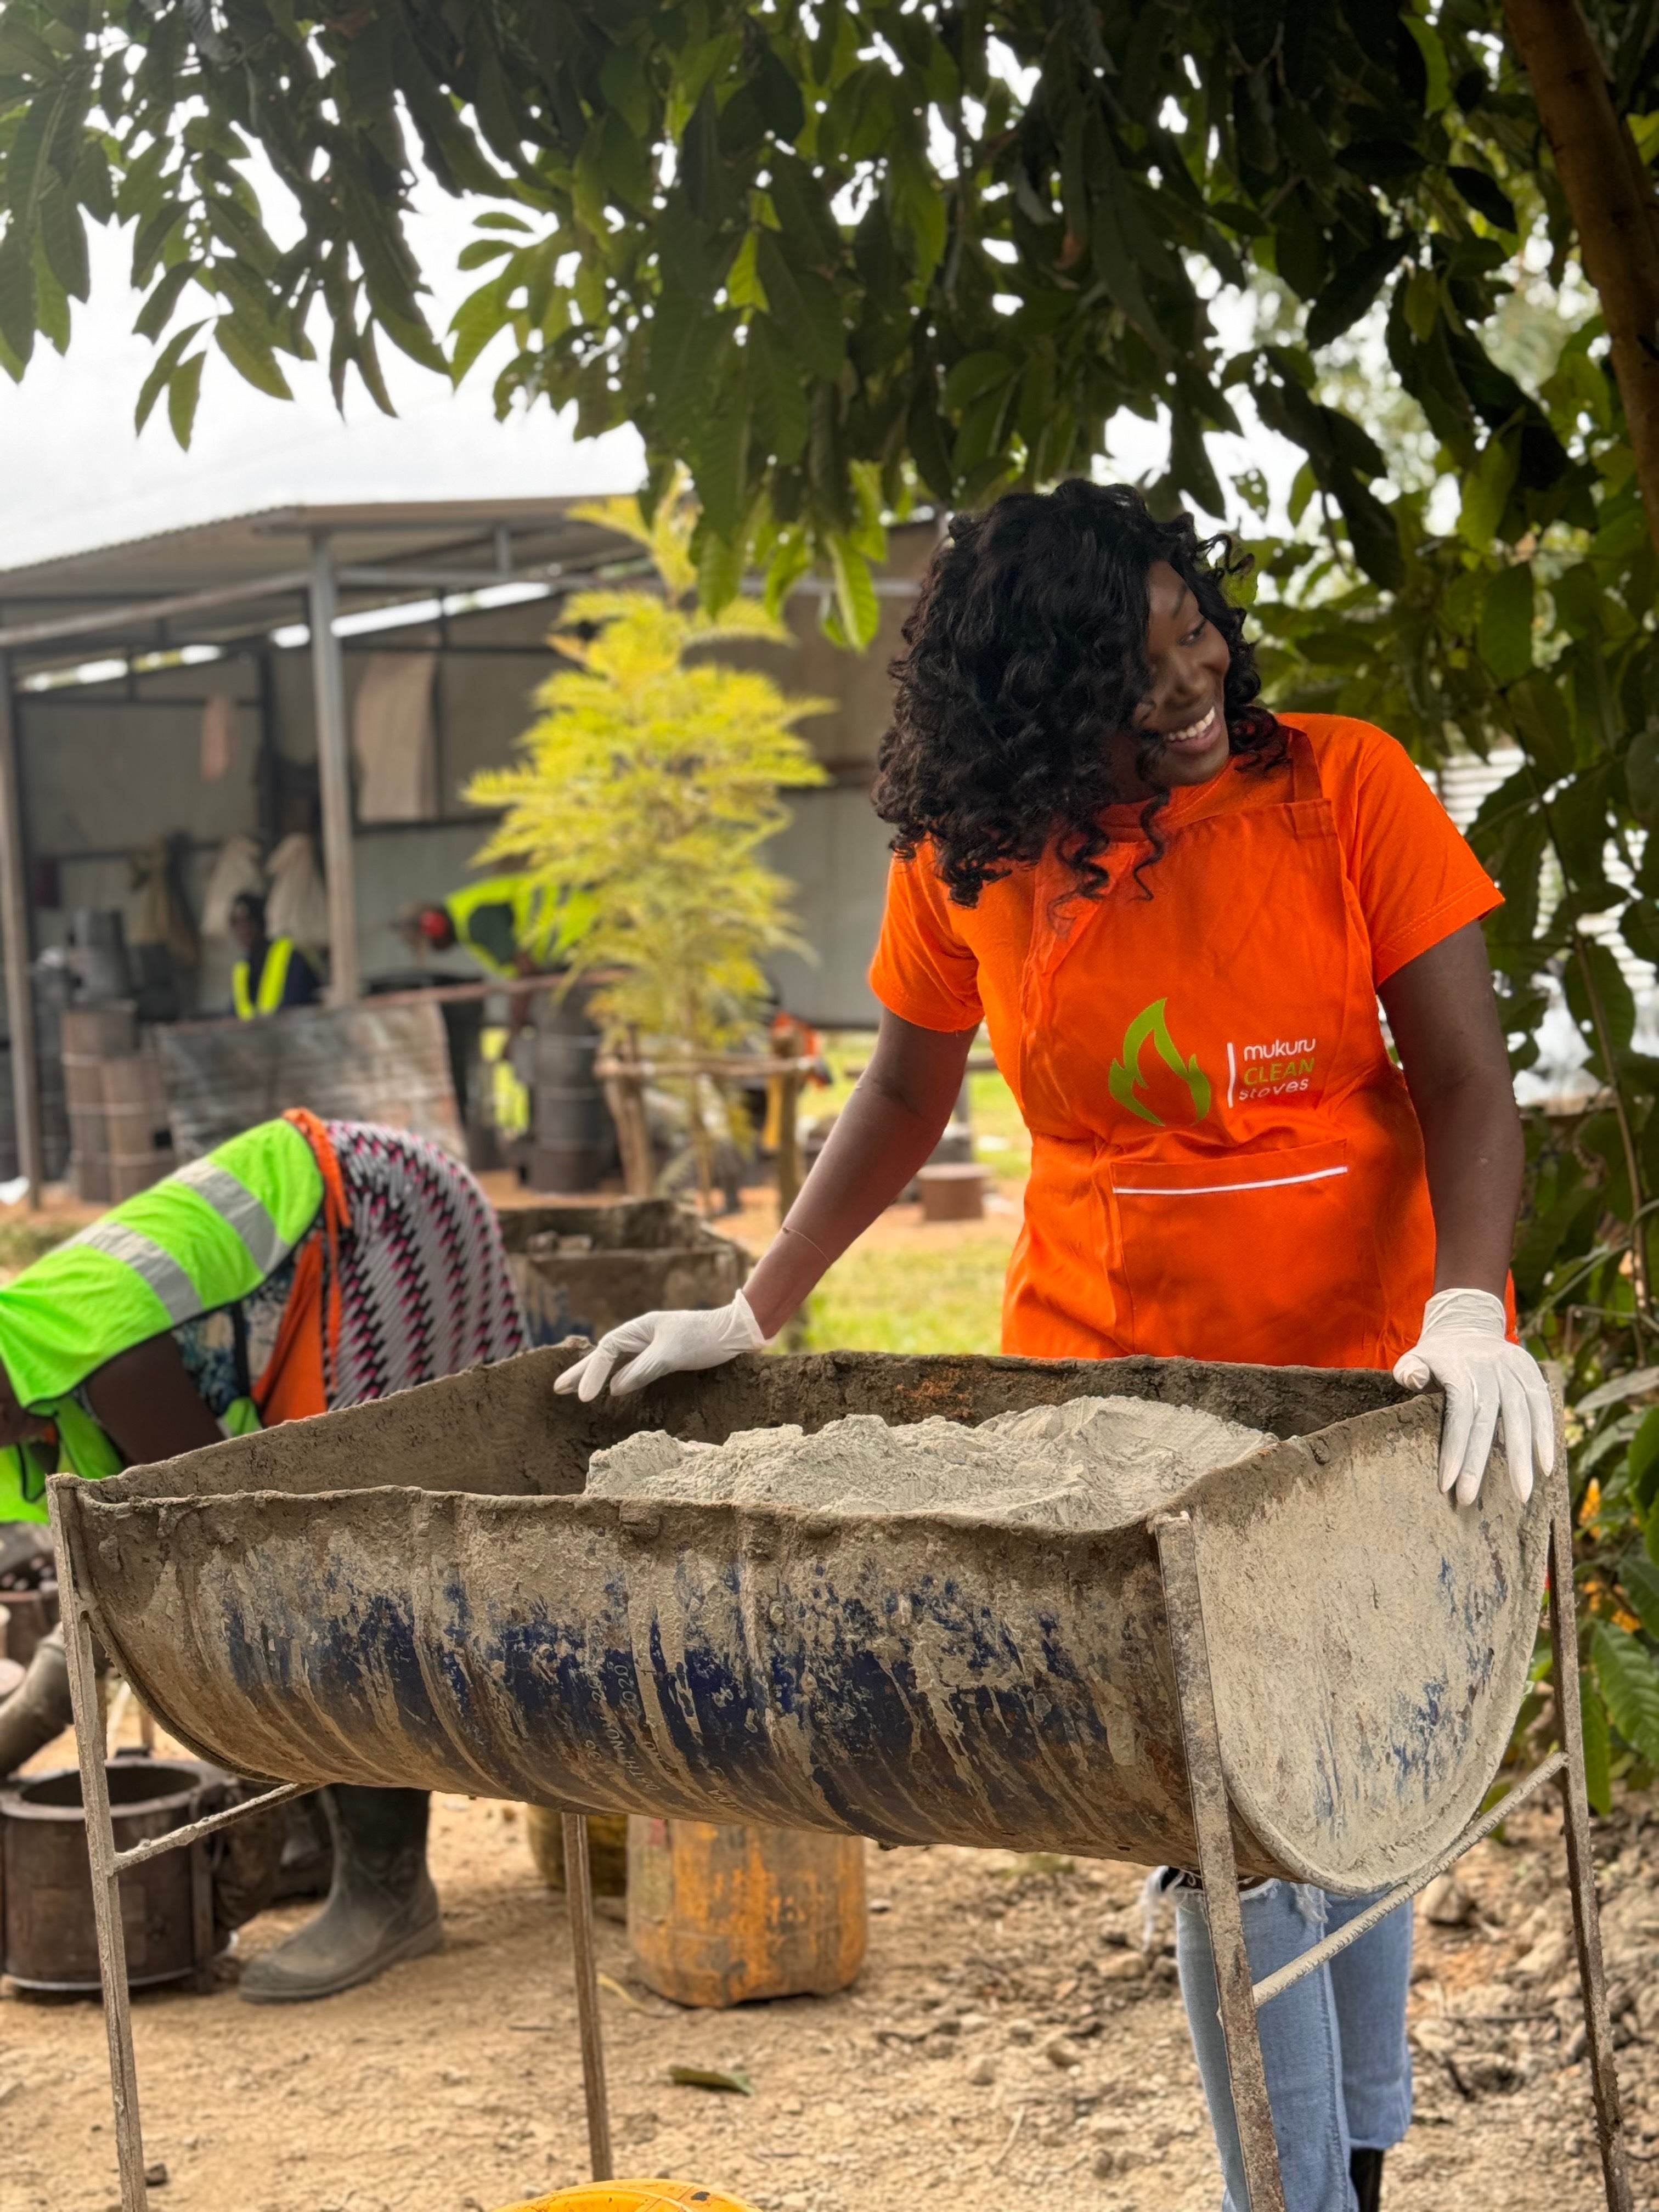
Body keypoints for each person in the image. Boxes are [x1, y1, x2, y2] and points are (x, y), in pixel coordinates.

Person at [553, 481, 1553, 2212]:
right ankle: (1297, 2198)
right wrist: (753, 1304)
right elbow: (903, 1087)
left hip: (1365, 1374)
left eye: (1194, 629)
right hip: (1106, 1398)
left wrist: (1468, 1306)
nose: (1190, 680)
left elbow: (1467, 1075)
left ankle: (1363, 2160)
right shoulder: (980, 855)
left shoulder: (1341, 788)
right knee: (1223, 1831)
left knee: (1364, 1784)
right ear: (1032, 702)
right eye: (1134, 666)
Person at [0, 1109, 526, 2002]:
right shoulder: (33, 1387)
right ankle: (328, 1837)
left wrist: (18, 1730)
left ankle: (390, 1891)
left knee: (332, 1560)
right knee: (266, 1579)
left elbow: (237, 1544)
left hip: (376, 1214)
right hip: (327, 1229)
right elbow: (104, 1582)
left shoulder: (96, 1354)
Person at [229, 890, 320, 1017]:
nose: (243, 931)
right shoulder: (242, 970)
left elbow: (299, 1004)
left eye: (248, 923)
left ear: (261, 924)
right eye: (237, 925)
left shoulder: (289, 956)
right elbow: (234, 1015)